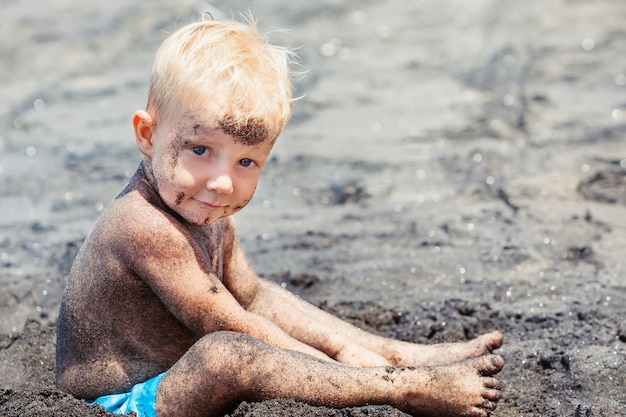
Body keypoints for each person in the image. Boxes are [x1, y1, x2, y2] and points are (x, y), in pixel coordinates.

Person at [55, 15, 505, 417]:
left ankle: (400, 356)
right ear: (148, 135)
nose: (222, 183)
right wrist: (337, 374)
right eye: (199, 150)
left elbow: (253, 298)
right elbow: (229, 323)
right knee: (227, 355)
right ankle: (403, 389)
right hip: (121, 404)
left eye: (245, 163)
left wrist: (347, 347)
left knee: (256, 321)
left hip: (165, 380)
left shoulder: (203, 207)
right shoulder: (144, 225)